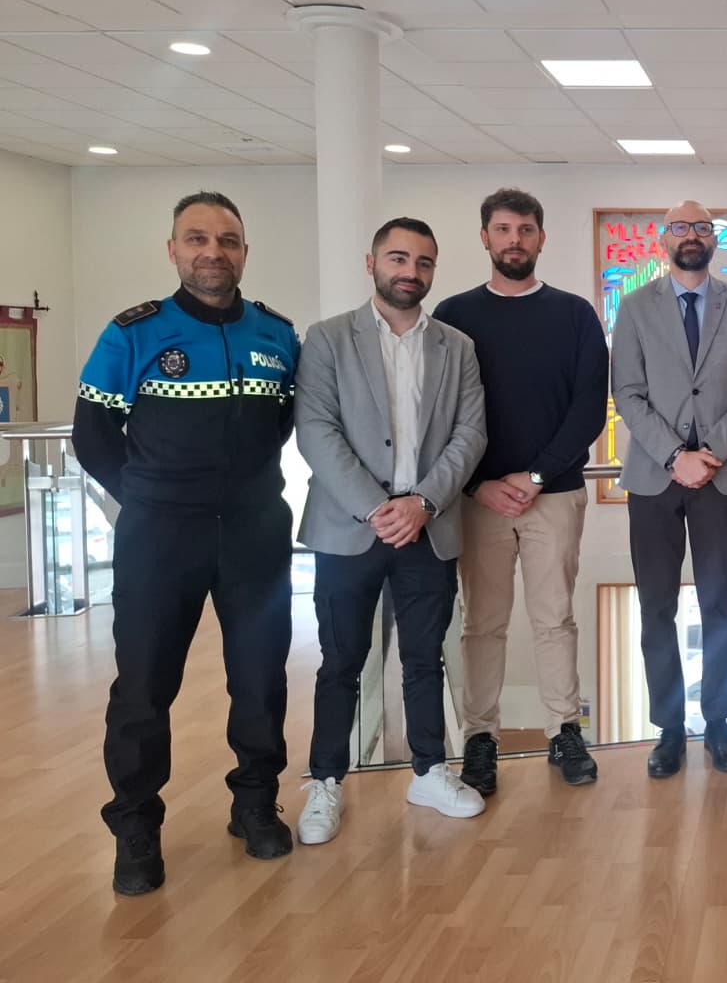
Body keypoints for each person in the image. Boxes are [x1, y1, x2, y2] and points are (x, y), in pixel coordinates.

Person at [73, 191, 300, 896]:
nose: (213, 251)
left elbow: (285, 424)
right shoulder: (132, 333)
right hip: (160, 537)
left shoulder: (275, 334)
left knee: (260, 678)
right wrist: (149, 498)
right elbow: (92, 434)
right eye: (197, 239)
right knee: (144, 688)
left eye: (227, 240)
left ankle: (255, 802)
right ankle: (136, 827)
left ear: (244, 252)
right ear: (173, 250)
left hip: (256, 532)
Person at [293, 218, 489, 844]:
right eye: (399, 258)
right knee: (341, 662)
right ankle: (325, 782)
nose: (411, 272)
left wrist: (423, 503)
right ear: (371, 261)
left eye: (424, 263)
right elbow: (316, 431)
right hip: (351, 529)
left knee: (424, 658)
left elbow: (471, 434)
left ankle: (429, 770)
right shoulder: (327, 340)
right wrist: (378, 508)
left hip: (426, 528)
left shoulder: (456, 346)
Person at [433, 189, 609, 792]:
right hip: (476, 500)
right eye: (503, 229)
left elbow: (589, 408)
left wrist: (534, 477)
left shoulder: (574, 314)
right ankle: (481, 739)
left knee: (554, 618)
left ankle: (565, 730)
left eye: (525, 229)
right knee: (482, 624)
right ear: (484, 237)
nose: (515, 240)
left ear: (541, 238)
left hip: (553, 494)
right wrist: (481, 483)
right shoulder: (453, 316)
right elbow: (441, 412)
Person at [611, 201, 727, 778]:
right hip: (655, 478)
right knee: (657, 605)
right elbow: (627, 392)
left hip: (720, 477)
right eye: (680, 227)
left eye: (702, 228)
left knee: (719, 601)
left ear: (713, 240)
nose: (691, 236)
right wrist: (676, 457)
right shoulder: (634, 308)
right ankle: (670, 727)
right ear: (663, 240)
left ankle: (720, 722)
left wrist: (710, 455)